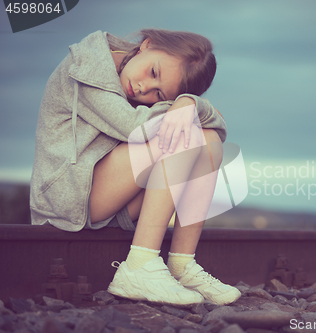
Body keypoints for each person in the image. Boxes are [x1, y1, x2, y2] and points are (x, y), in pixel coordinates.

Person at [30, 29, 241, 306]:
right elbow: (135, 127)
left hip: (109, 192)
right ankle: (139, 266)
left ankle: (181, 265)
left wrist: (189, 103)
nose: (144, 89)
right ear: (147, 45)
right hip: (67, 195)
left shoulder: (134, 75)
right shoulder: (86, 67)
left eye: (159, 94)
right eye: (153, 73)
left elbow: (218, 129)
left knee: (209, 140)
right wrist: (188, 108)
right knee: (182, 135)